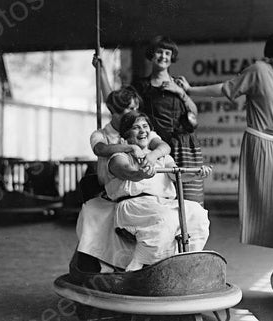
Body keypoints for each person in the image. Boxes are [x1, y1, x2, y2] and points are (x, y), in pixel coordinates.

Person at [176, 31, 273, 251]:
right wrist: (191, 89)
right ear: (271, 51)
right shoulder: (258, 70)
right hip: (262, 145)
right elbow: (227, 89)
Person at [71, 87, 171, 280]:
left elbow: (162, 145)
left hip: (137, 189)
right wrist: (130, 146)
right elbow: (101, 149)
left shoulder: (142, 129)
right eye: (126, 110)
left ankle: (150, 266)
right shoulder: (101, 134)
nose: (131, 112)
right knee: (91, 218)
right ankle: (94, 268)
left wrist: (151, 156)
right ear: (113, 112)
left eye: (134, 107)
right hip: (109, 190)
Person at [95, 36, 205, 205]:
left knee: (190, 200)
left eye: (167, 53)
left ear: (172, 57)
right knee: (161, 195)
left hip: (183, 147)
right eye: (159, 52)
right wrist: (101, 71)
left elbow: (194, 112)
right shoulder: (141, 85)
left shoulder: (179, 83)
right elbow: (114, 99)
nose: (163, 56)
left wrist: (181, 92)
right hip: (157, 145)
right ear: (151, 55)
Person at [106, 111, 211, 271]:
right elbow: (128, 172)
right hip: (134, 206)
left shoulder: (161, 157)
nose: (142, 131)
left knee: (198, 213)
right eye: (136, 127)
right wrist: (140, 173)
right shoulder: (118, 157)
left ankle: (189, 261)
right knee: (165, 218)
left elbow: (177, 175)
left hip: (162, 203)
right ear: (126, 134)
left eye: (145, 126)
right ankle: (138, 265)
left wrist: (196, 173)